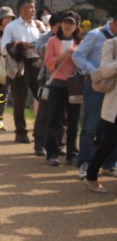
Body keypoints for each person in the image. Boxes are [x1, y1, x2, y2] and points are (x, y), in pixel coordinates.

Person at [72, 15, 117, 179]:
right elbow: (77, 55)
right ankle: (84, 163)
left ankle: (109, 164)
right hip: (97, 86)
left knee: (111, 129)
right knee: (90, 127)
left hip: (114, 90)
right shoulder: (95, 35)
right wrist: (93, 72)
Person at [43, 11, 82, 166]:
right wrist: (64, 55)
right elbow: (49, 62)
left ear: (76, 26)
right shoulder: (53, 41)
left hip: (75, 84)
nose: (68, 26)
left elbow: (84, 63)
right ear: (61, 24)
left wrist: (76, 56)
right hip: (58, 83)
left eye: (71, 23)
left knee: (73, 121)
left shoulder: (80, 43)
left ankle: (72, 153)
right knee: (54, 119)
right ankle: (52, 153)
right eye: (66, 22)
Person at [1, 0, 41, 143]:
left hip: (36, 64)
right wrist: (18, 46)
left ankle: (40, 131)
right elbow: (3, 48)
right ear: (21, 9)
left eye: (34, 7)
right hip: (19, 66)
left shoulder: (36, 26)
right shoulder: (12, 27)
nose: (33, 10)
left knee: (42, 97)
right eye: (30, 7)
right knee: (20, 100)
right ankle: (21, 131)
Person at [85, 36, 117, 193]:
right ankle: (91, 176)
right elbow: (104, 70)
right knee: (109, 143)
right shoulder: (112, 43)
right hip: (114, 105)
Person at [32, 13, 63, 156]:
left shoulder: (72, 39)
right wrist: (55, 43)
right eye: (60, 26)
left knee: (62, 115)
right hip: (47, 79)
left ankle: (58, 143)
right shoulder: (46, 37)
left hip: (65, 80)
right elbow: (40, 50)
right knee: (44, 112)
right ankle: (39, 143)